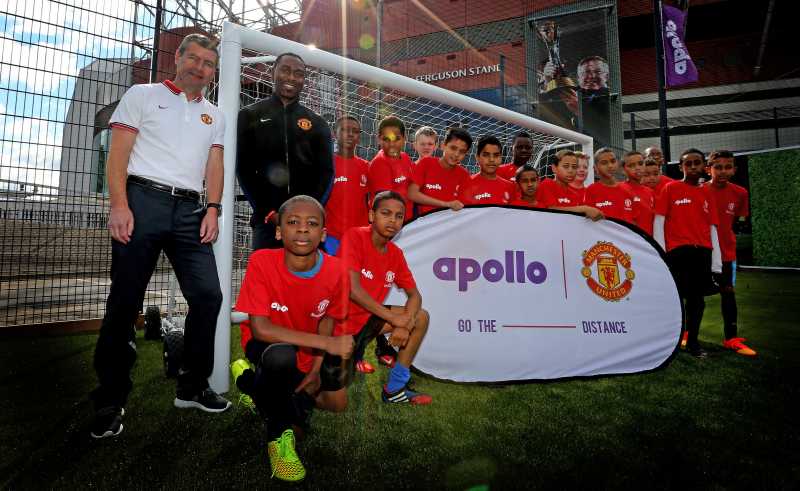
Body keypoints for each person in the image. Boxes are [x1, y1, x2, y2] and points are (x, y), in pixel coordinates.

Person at [90, 34, 230, 439]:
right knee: (124, 302)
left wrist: (214, 208)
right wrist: (119, 204)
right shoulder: (143, 94)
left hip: (191, 211)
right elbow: (118, 153)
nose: (200, 67)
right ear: (177, 58)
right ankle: (110, 399)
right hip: (142, 201)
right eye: (194, 58)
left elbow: (214, 165)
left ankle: (192, 384)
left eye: (208, 63)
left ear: (212, 72)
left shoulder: (214, 115)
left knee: (208, 296)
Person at [232, 195, 355, 481]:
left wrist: (315, 368)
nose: (302, 229)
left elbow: (327, 319)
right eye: (293, 222)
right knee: (281, 361)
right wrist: (327, 345)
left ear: (323, 234)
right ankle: (277, 439)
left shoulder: (337, 270)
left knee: (337, 404)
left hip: (309, 349)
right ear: (278, 231)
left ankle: (249, 383)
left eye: (312, 224)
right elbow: (261, 328)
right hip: (267, 346)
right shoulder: (261, 261)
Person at [338, 191, 432, 404]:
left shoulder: (395, 253)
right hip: (341, 325)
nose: (392, 220)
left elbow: (415, 295)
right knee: (335, 387)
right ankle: (351, 358)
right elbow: (353, 289)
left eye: (399, 216)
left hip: (368, 321)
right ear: (372, 215)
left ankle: (395, 389)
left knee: (421, 317)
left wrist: (405, 324)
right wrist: (396, 320)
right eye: (386, 213)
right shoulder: (354, 237)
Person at [237, 52, 334, 250]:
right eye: (285, 70)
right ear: (273, 72)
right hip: (267, 222)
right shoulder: (248, 116)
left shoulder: (318, 123)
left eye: (298, 74)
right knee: (266, 280)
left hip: (306, 224)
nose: (291, 77)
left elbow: (326, 173)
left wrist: (307, 213)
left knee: (308, 280)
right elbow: (244, 169)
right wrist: (269, 212)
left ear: (304, 80)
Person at [654, 149, 723, 358]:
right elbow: (659, 222)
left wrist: (716, 263)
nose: (693, 167)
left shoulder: (707, 193)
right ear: (680, 167)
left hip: (701, 253)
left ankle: (693, 343)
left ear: (704, 166)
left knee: (697, 301)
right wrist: (660, 254)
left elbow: (712, 227)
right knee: (675, 300)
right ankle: (670, 342)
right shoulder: (670, 188)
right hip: (677, 253)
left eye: (697, 163)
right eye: (688, 163)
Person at [705, 150, 756, 356]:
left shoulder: (740, 193)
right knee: (693, 294)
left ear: (734, 170)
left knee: (728, 293)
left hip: (726, 252)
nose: (723, 171)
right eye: (718, 167)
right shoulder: (698, 190)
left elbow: (734, 222)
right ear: (709, 169)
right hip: (701, 251)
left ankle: (732, 338)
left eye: (728, 167)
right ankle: (686, 334)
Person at [323, 115, 369, 255]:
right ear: (334, 133)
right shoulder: (325, 165)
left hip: (360, 237)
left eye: (355, 131)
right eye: (344, 130)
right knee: (336, 274)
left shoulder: (366, 167)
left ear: (359, 137)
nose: (350, 134)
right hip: (332, 237)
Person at [407, 126, 472, 215]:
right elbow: (412, 194)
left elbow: (464, 206)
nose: (456, 154)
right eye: (453, 148)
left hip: (448, 224)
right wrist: (446, 204)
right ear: (443, 145)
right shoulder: (426, 163)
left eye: (462, 151)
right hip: (423, 224)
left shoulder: (464, 175)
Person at [368, 115, 415, 221]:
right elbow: (388, 204)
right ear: (379, 139)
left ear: (404, 139)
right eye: (386, 139)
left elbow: (411, 186)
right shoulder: (379, 163)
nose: (392, 144)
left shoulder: (405, 157)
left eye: (397, 139)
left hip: (407, 220)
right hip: (390, 225)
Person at [535, 150, 603, 220]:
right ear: (554, 168)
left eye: (574, 167)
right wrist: (583, 208)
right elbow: (551, 210)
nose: (570, 170)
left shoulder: (574, 195)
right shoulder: (547, 183)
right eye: (566, 166)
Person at [584, 148, 636, 225]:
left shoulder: (628, 188)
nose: (610, 166)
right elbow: (589, 221)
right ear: (595, 168)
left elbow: (634, 221)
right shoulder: (591, 190)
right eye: (604, 163)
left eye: (613, 161)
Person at [458, 135, 516, 205]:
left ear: (501, 158)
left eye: (496, 155)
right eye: (486, 155)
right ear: (477, 157)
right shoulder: (465, 185)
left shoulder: (510, 187)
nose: (491, 160)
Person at [619, 150, 655, 235]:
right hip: (627, 241)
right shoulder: (618, 188)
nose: (637, 167)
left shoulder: (650, 192)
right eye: (631, 165)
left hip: (648, 243)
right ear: (623, 170)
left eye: (640, 163)